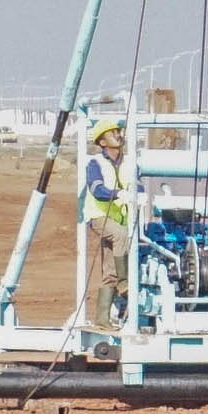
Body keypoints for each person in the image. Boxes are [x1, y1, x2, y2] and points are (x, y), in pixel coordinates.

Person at [81, 121, 130, 331]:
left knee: (109, 270)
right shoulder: (95, 163)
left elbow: (135, 184)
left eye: (118, 132)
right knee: (120, 236)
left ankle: (102, 319)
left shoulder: (128, 162)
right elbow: (97, 189)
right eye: (112, 133)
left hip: (119, 219)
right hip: (99, 217)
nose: (118, 135)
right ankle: (124, 282)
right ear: (102, 141)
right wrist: (118, 193)